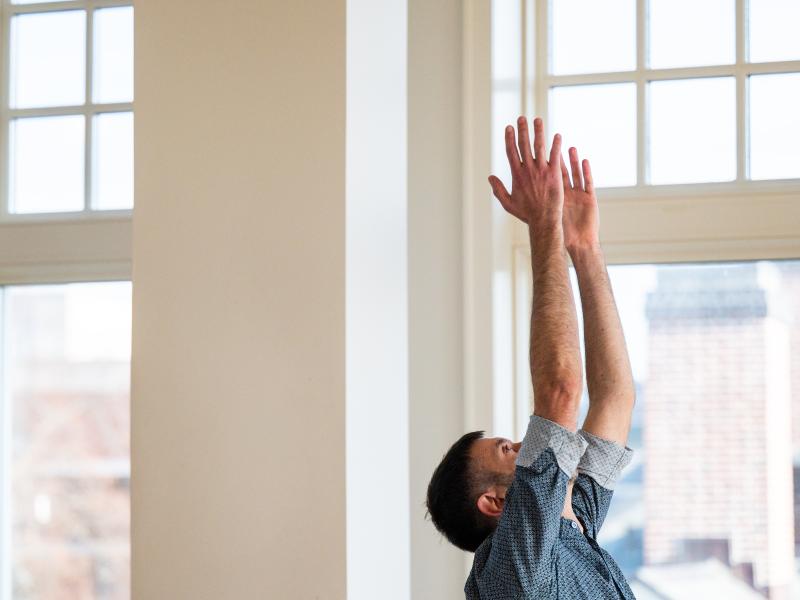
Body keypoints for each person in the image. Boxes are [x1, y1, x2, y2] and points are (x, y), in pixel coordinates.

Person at [426, 116, 637, 599]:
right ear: (496, 503)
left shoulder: (571, 523)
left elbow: (616, 399)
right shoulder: (512, 571)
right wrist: (543, 226)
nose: (527, 445)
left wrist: (584, 248)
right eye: (508, 450)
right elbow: (561, 390)